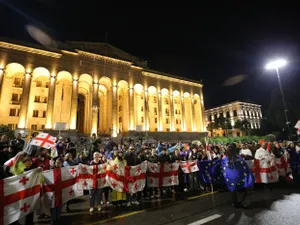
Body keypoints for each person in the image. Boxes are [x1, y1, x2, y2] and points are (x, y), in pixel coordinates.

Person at [222, 144, 254, 208]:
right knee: (242, 189)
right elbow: (244, 165)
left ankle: (234, 203)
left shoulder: (224, 158)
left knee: (233, 190)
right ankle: (240, 201)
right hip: (238, 176)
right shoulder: (238, 157)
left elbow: (222, 166)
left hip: (230, 178)